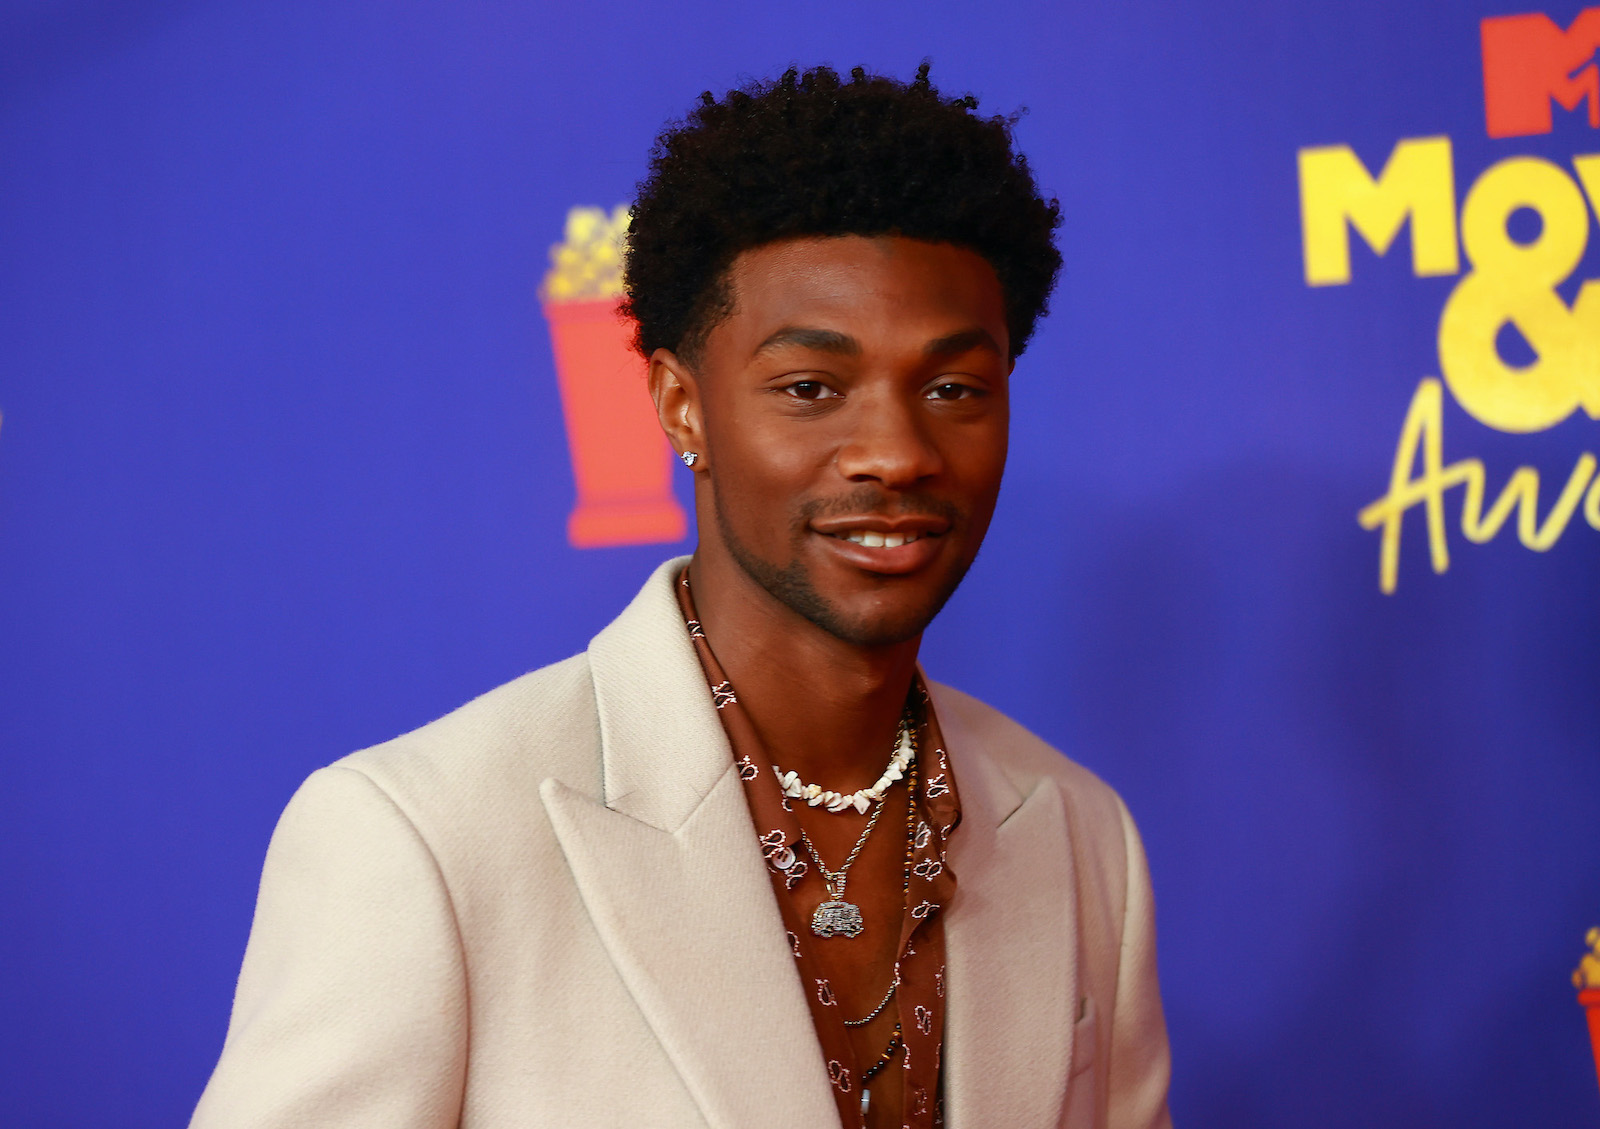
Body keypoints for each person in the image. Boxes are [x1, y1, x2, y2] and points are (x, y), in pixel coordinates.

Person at [190, 64, 1173, 1129]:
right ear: (680, 407)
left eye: (952, 388)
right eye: (811, 388)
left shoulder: (1078, 832)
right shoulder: (420, 837)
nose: (895, 451)